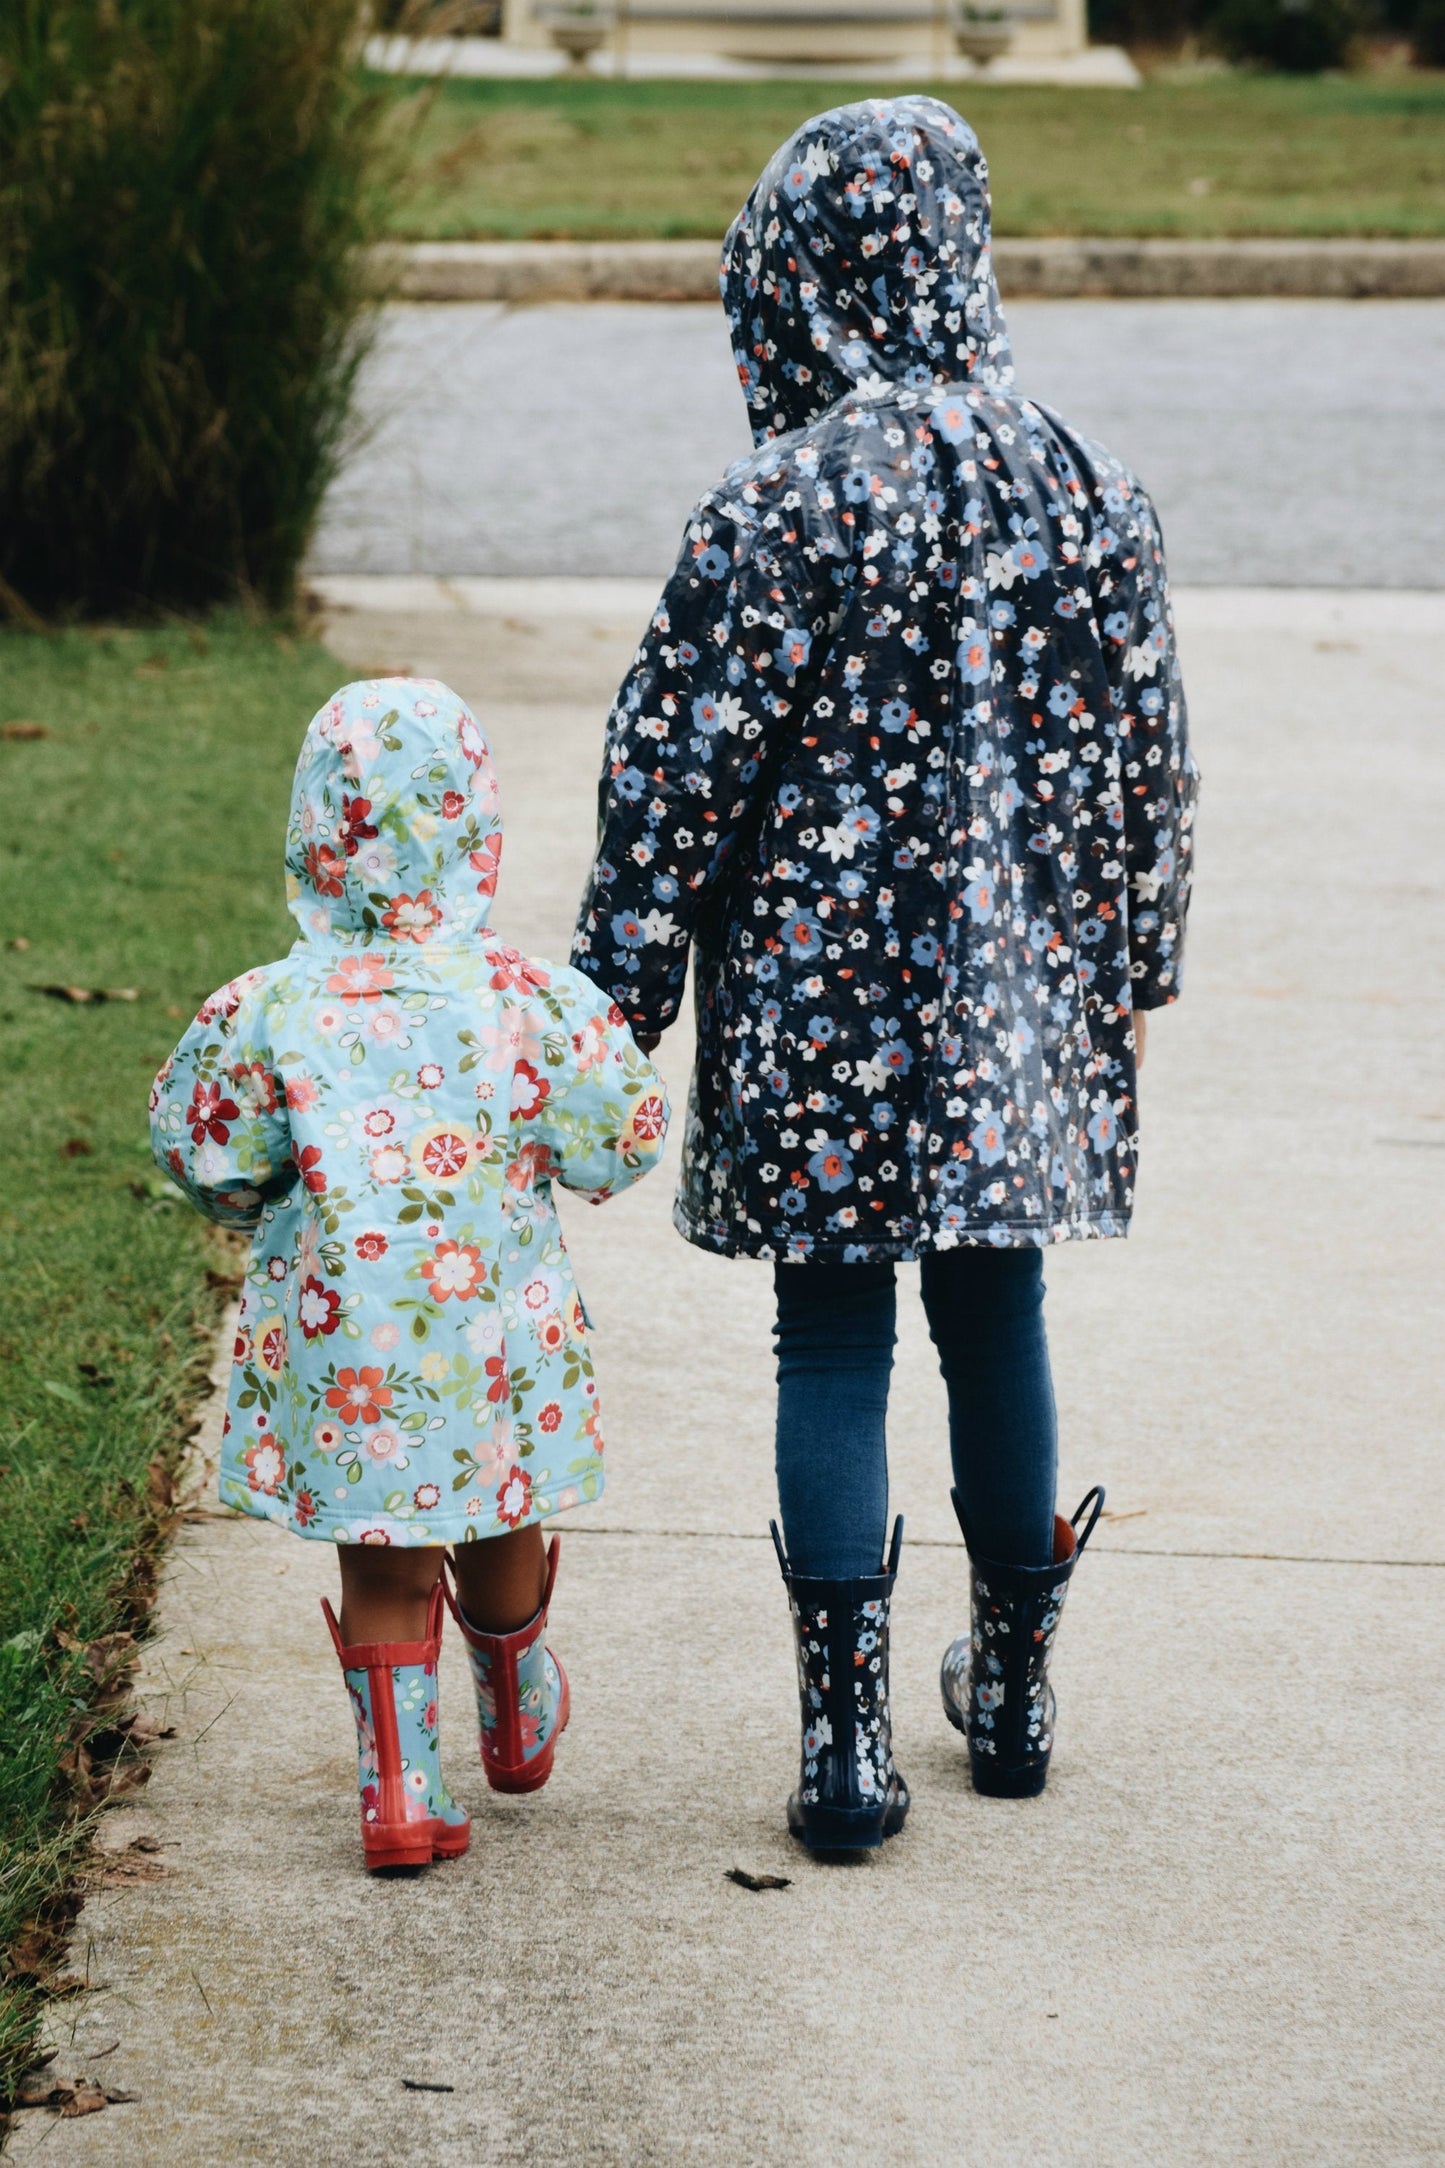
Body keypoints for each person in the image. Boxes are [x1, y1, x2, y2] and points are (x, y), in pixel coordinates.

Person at [572, 96, 1198, 1852]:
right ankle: (1009, 1688)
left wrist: (613, 990)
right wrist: (1142, 950)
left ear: (791, 290)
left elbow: (673, 763)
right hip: (1018, 1007)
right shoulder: (1091, 484)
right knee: (998, 1308)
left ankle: (843, 1747)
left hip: (819, 1010)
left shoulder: (784, 501)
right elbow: (1153, 752)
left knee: (829, 1330)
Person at [151, 678, 667, 1871]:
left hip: (349, 1358)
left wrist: (270, 1193)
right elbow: (627, 1130)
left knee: (384, 1557)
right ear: (475, 830)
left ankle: (398, 1795)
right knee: (498, 1513)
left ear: (312, 832)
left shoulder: (270, 1006)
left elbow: (205, 1152)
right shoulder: (529, 1000)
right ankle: (518, 1708)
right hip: (492, 1344)